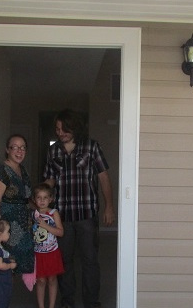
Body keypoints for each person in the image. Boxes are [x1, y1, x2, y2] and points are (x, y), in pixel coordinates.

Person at [42, 109, 114, 308]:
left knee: (90, 261)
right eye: (57, 129)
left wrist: (109, 207)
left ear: (74, 127)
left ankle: (92, 302)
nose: (60, 132)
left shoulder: (91, 147)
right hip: (61, 217)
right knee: (65, 261)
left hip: (87, 215)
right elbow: (49, 181)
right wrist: (39, 202)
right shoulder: (53, 151)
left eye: (64, 128)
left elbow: (104, 178)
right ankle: (68, 302)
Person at [0, 134, 34, 275]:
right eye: (15, 147)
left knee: (21, 266)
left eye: (23, 148)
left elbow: (26, 198)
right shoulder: (1, 170)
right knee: (7, 264)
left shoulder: (24, 170)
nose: (19, 151)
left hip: (24, 225)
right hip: (8, 226)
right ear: (7, 150)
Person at [31, 183, 65, 308]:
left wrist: (46, 226)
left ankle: (51, 306)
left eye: (45, 197)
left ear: (51, 199)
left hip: (52, 252)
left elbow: (60, 232)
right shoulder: (33, 214)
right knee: (40, 280)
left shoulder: (53, 213)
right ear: (34, 200)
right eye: (39, 197)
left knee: (52, 279)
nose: (42, 201)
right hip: (38, 252)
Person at [0, 218, 17, 308]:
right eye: (7, 232)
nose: (9, 234)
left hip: (0, 280)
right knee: (1, 300)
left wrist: (8, 260)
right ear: (0, 234)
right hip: (0, 281)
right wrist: (10, 265)